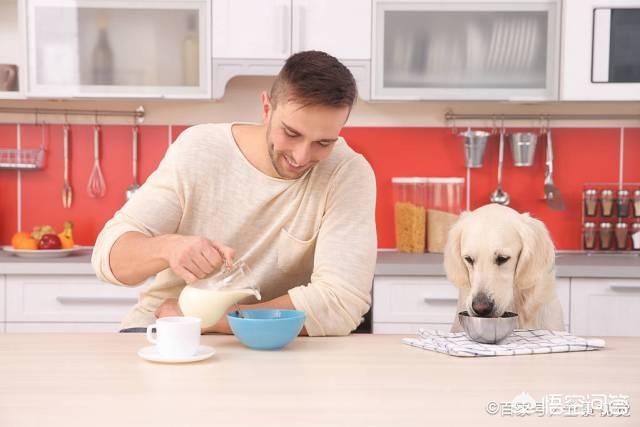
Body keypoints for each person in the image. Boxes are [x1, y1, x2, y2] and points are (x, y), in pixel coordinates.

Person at [92, 50, 377, 336]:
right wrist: (169, 248)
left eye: (323, 143)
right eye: (291, 133)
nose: (302, 156)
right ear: (267, 108)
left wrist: (207, 320)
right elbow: (108, 258)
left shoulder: (347, 173)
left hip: (272, 342)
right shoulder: (199, 149)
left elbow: (341, 302)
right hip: (164, 331)